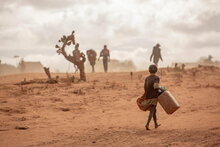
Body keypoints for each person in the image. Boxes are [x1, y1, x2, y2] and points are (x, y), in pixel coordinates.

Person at [142, 64, 161, 130]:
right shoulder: (156, 78)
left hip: (147, 96)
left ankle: (156, 124)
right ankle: (147, 124)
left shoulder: (147, 78)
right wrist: (161, 90)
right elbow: (156, 87)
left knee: (154, 110)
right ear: (156, 70)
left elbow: (145, 87)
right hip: (153, 97)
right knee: (152, 110)